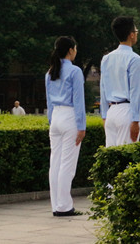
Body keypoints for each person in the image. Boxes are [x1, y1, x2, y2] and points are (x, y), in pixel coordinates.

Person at [45, 36, 86, 217]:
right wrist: (81, 126)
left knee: (55, 163)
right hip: (69, 117)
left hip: (55, 118)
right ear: (70, 50)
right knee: (67, 164)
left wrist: (51, 121)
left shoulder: (50, 72)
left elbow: (49, 102)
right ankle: (64, 206)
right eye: (75, 48)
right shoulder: (75, 71)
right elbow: (78, 101)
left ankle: (56, 204)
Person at [100, 16, 140, 147]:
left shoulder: (106, 58)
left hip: (111, 112)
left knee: (111, 160)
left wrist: (104, 115)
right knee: (126, 158)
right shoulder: (135, 59)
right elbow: (135, 91)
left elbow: (103, 89)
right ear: (131, 35)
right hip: (127, 111)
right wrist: (136, 120)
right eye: (136, 31)